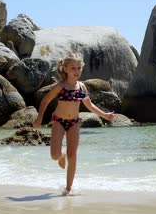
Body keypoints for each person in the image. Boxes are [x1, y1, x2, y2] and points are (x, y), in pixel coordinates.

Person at [33, 54, 115, 196]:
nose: (76, 71)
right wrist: (39, 119)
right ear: (65, 69)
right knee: (54, 155)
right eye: (73, 68)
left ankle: (68, 189)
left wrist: (105, 115)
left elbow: (89, 106)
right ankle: (61, 154)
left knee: (73, 155)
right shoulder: (60, 86)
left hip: (74, 123)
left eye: (78, 68)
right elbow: (45, 101)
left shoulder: (81, 87)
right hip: (59, 121)